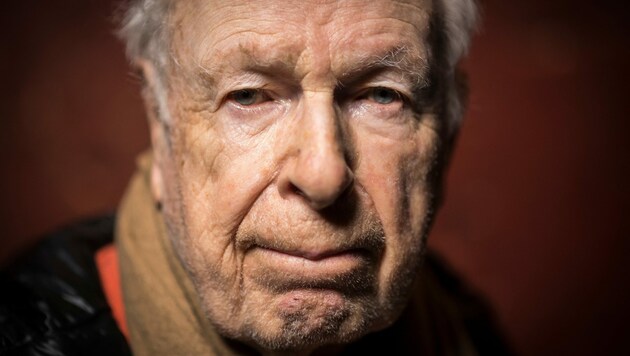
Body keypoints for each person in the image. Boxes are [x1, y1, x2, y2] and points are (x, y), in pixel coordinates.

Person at [0, 0, 511, 355]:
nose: (324, 174)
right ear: (161, 126)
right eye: (248, 95)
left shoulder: (465, 325)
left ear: (445, 141)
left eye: (381, 95)